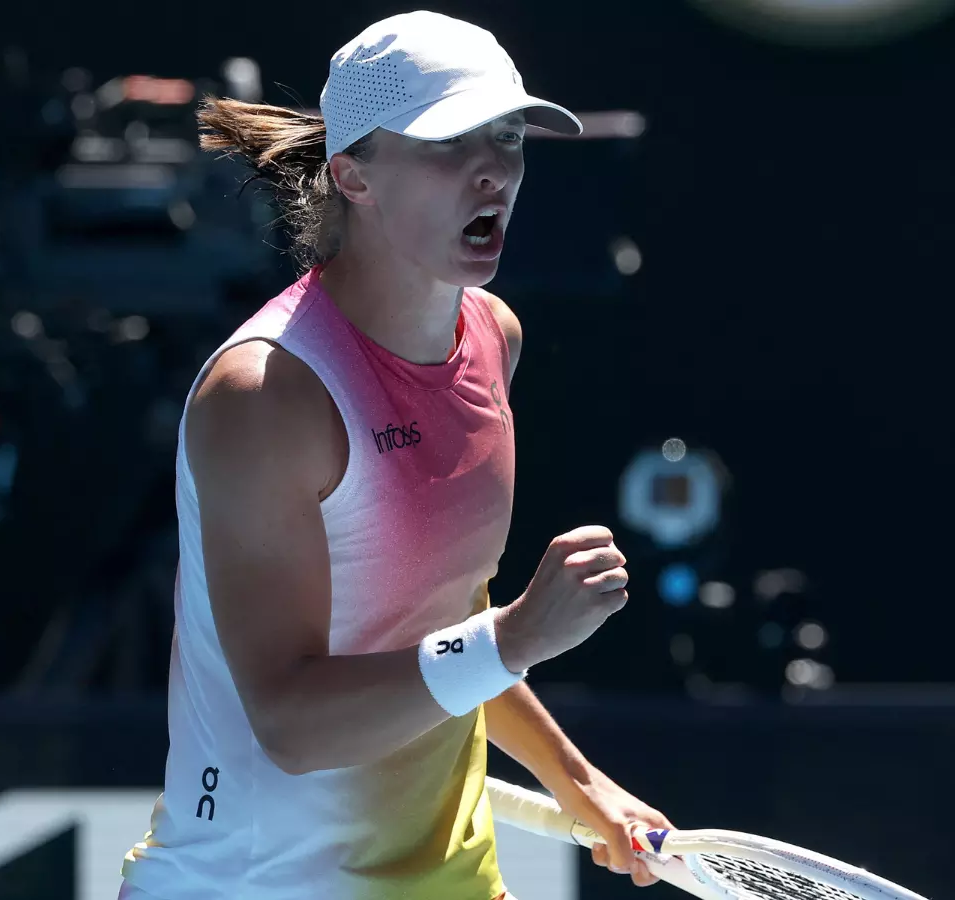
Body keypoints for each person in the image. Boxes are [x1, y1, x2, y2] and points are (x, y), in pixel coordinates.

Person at [120, 11, 672, 899]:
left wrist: (580, 783)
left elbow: (435, 630)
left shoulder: (492, 337)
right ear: (353, 174)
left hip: (451, 881)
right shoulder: (266, 396)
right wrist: (516, 637)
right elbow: (291, 724)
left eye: (507, 136)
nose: (494, 170)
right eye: (450, 142)